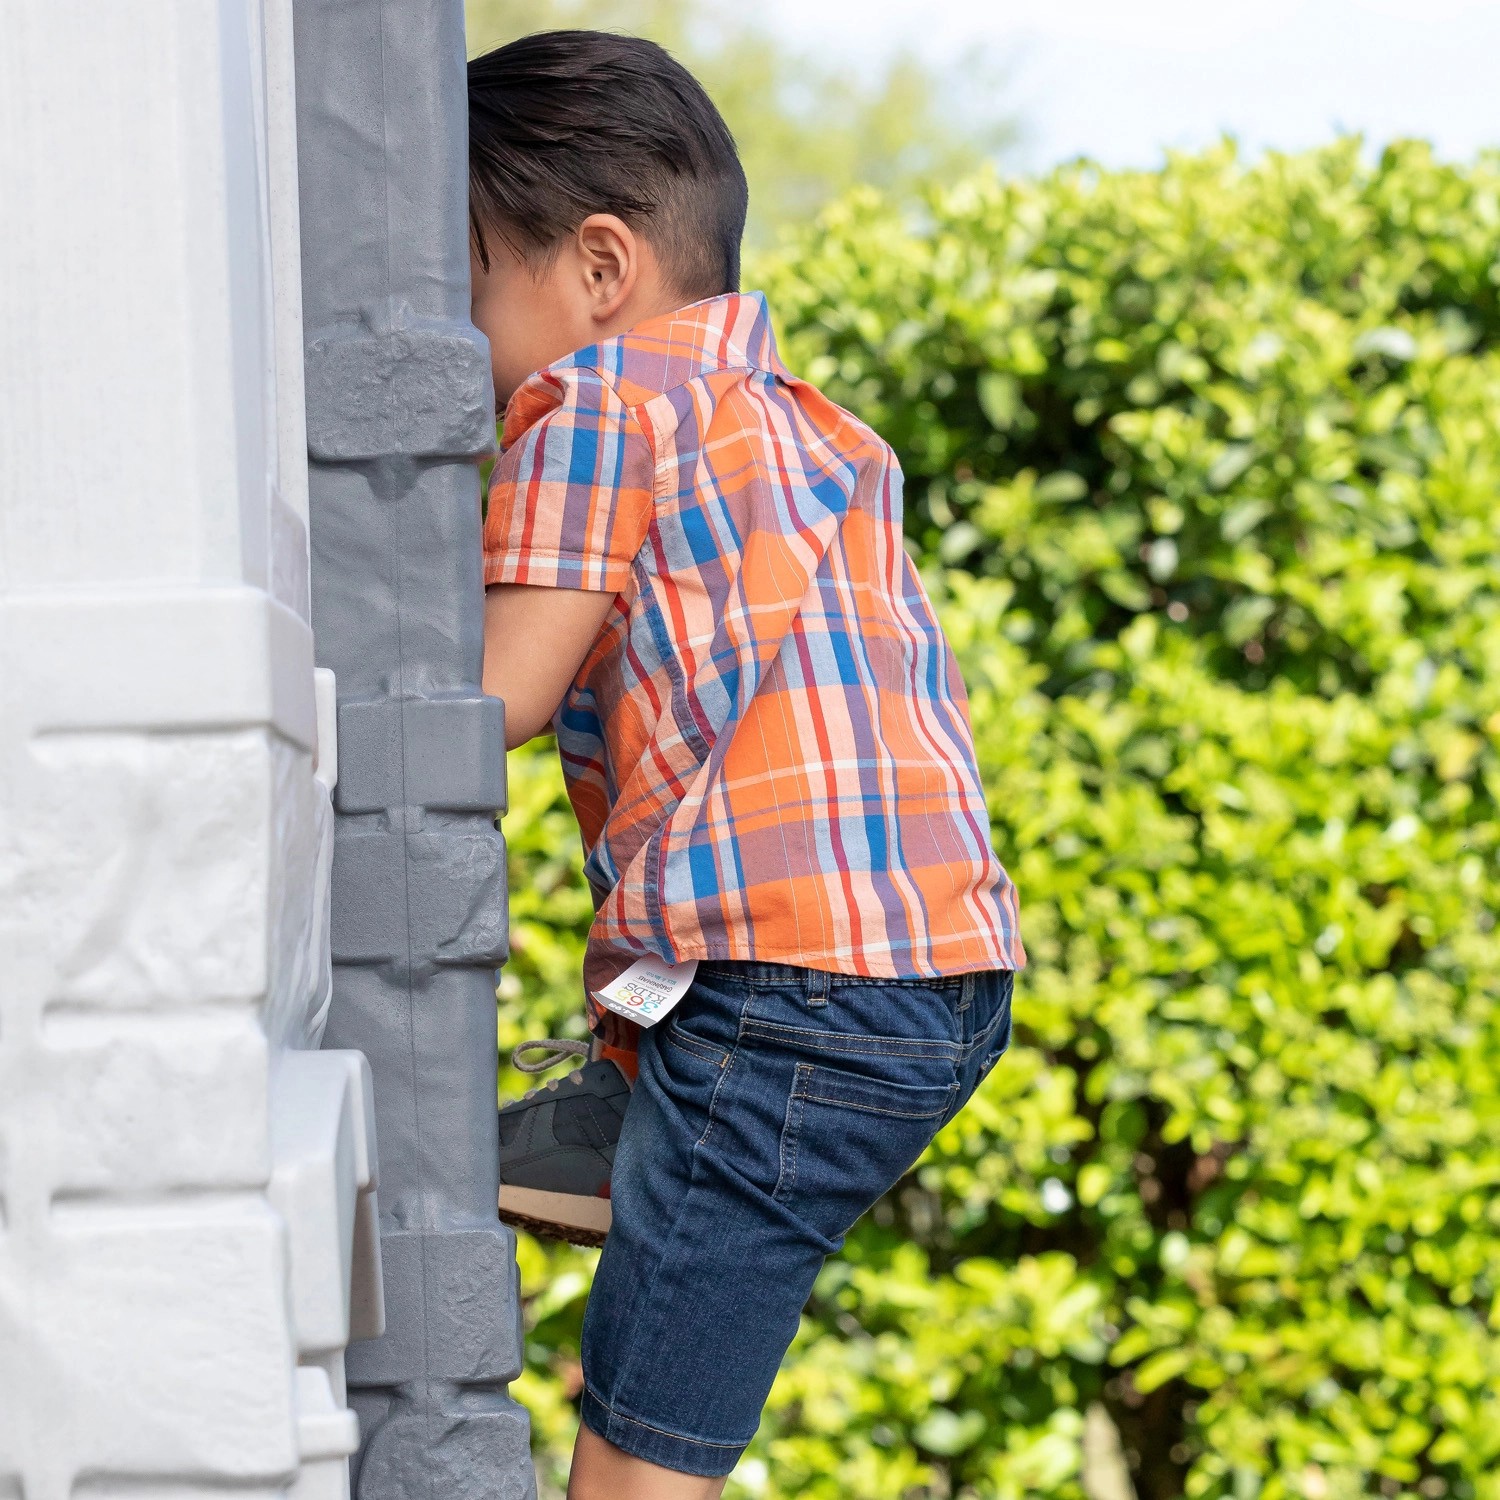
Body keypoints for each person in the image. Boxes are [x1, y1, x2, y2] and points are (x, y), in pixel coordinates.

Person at [470, 30, 1024, 1500]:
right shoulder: (807, 426)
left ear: (600, 267)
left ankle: (643, 1131)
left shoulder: (596, 402)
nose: (463, 346)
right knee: (684, 1201)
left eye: (470, 289)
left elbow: (494, 697)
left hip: (786, 1002)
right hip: (936, 978)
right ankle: (619, 1121)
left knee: (640, 1461)